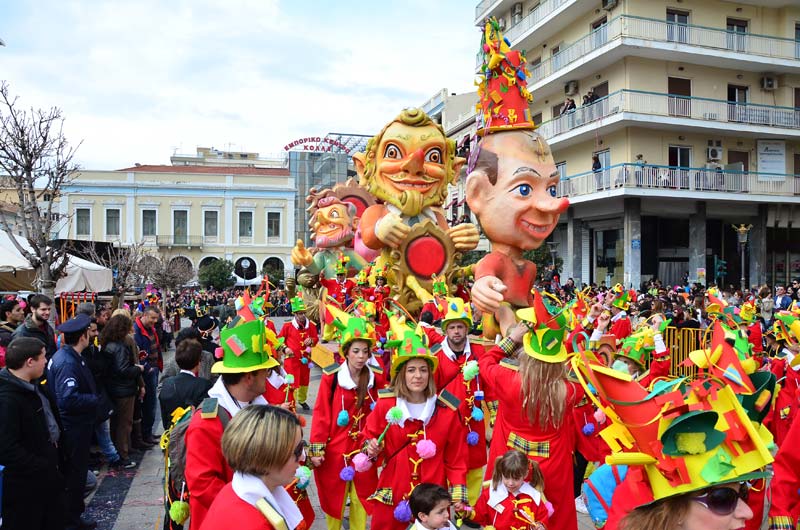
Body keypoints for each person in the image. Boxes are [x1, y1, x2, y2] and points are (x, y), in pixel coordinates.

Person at [478, 292, 583, 530]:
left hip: (509, 459)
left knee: (503, 513)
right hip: (553, 465)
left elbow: (486, 362)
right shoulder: (570, 391)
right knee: (552, 516)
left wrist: (512, 339)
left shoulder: (509, 380)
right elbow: (586, 367)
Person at [361, 321, 468, 530]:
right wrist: (372, 447)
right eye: (411, 370)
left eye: (423, 370)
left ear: (430, 374)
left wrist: (458, 498)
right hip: (393, 495)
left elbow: (456, 460)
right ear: (402, 374)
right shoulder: (386, 405)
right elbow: (368, 441)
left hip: (432, 501)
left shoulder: (446, 411)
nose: (418, 376)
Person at [184, 319, 279, 529]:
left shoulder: (256, 403)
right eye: (264, 370)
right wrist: (249, 507)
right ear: (248, 377)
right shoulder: (207, 421)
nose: (268, 375)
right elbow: (202, 483)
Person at [309, 314, 379, 530]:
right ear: (346, 351)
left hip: (364, 450)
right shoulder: (332, 377)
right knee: (334, 501)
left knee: (361, 500)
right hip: (335, 451)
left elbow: (380, 413)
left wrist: (376, 443)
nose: (360, 356)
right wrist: (317, 449)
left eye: (364, 351)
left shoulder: (376, 378)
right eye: (355, 351)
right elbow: (321, 413)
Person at [199, 405, 308, 530]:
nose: (302, 457)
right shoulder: (256, 524)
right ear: (268, 458)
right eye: (299, 449)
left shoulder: (234, 489)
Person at [0, 337, 65, 530]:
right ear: (30, 361)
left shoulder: (34, 386)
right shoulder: (8, 400)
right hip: (27, 489)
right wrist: (42, 467)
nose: (46, 361)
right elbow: (7, 448)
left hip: (45, 480)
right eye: (43, 357)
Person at [432, 297, 487, 507]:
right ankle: (445, 509)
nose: (456, 331)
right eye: (452, 327)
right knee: (449, 464)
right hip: (447, 421)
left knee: (474, 465)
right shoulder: (436, 356)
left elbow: (488, 384)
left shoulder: (479, 351)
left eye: (460, 327)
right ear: (446, 330)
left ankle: (469, 509)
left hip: (474, 419)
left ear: (467, 329)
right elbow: (432, 392)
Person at [48, 313, 99, 530]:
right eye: (90, 332)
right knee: (74, 476)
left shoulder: (69, 355)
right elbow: (68, 399)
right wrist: (95, 400)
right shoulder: (67, 362)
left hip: (78, 426)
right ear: (83, 336)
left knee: (76, 475)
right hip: (73, 428)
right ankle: (71, 521)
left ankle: (74, 517)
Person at [102, 312, 147, 459]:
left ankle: (121, 449)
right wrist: (138, 369)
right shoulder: (119, 346)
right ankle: (123, 453)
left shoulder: (108, 344)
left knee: (117, 423)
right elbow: (123, 370)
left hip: (114, 388)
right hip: (124, 390)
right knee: (124, 423)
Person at [473, 450, 549, 530]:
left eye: (516, 479)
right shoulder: (492, 491)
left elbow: (542, 517)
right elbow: (477, 513)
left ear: (525, 474)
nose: (510, 483)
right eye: (506, 477)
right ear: (501, 472)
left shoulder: (533, 496)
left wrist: (540, 526)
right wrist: (465, 509)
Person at [159, 338, 213, 430]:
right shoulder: (205, 385)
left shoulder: (167, 384)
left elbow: (165, 419)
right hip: (196, 435)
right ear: (198, 362)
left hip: (173, 435)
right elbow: (209, 416)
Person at [278, 297, 319, 410]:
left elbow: (315, 339)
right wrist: (285, 348)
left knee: (304, 380)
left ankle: (301, 400)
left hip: (306, 359)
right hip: (291, 359)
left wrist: (311, 340)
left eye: (303, 313)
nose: (302, 316)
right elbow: (279, 339)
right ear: (295, 314)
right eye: (299, 313)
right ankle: (291, 402)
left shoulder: (311, 326)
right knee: (292, 381)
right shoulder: (287, 326)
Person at [135, 306, 162, 445]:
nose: (155, 321)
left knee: (152, 403)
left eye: (156, 318)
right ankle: (145, 434)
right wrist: (148, 368)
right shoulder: (137, 331)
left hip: (153, 369)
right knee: (148, 404)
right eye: (152, 318)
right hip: (147, 371)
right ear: (144, 315)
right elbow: (138, 354)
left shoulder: (151, 329)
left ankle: (148, 432)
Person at [13, 293, 57, 358]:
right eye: (43, 309)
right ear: (33, 309)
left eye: (49, 309)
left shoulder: (48, 327)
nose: (47, 312)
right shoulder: (21, 333)